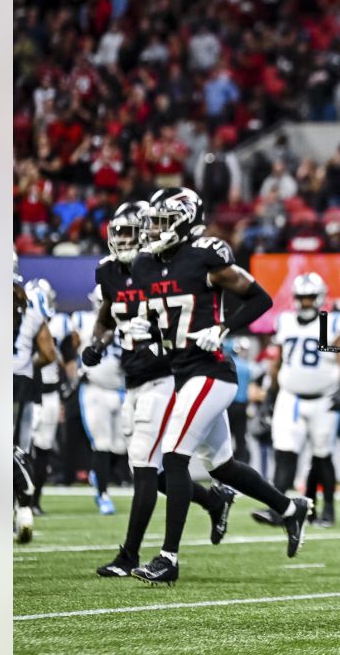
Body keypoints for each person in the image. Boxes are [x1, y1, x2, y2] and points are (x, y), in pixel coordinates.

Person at [127, 188, 308, 584]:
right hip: (182, 371)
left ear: (185, 220)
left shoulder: (204, 256)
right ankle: (292, 509)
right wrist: (144, 328)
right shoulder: (144, 265)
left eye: (162, 220)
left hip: (212, 371)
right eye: (152, 221)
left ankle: (168, 558)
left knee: (173, 456)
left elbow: (260, 299)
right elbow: (162, 317)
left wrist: (223, 327)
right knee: (222, 466)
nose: (154, 229)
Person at [83, 201, 235, 578]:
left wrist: (156, 337)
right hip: (132, 378)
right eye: (117, 233)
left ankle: (131, 554)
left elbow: (176, 314)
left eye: (130, 232)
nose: (124, 240)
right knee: (152, 469)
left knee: (145, 462)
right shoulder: (108, 272)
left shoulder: (154, 267)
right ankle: (213, 500)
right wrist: (98, 343)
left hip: (164, 376)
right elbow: (107, 313)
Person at [252, 273, 340, 528]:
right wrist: (270, 397)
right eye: (302, 297)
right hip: (291, 397)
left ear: (319, 298)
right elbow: (278, 361)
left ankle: (327, 509)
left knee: (322, 456)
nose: (305, 302)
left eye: (309, 298)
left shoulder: (334, 323)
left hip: (324, 398)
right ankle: (277, 507)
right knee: (284, 452)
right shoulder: (285, 321)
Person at [21, 278, 76, 515]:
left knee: (36, 449)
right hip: (37, 391)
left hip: (42, 391)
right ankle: (29, 502)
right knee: (28, 449)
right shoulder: (36, 323)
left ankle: (31, 501)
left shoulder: (56, 325)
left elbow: (69, 353)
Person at [13, 254, 58, 542]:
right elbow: (49, 354)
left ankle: (25, 494)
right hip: (24, 383)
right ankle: (22, 511)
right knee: (19, 449)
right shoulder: (29, 303)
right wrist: (26, 364)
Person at [72, 286, 127, 515]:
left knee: (120, 447)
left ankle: (98, 473)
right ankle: (103, 495)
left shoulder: (127, 321)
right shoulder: (82, 321)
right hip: (95, 389)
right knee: (102, 443)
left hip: (121, 389)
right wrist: (75, 371)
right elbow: (73, 349)